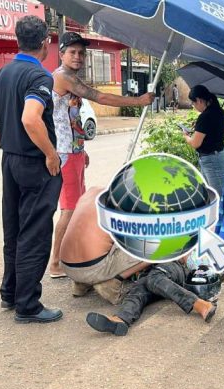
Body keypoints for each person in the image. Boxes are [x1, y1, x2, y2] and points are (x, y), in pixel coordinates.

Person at [0, 15, 63, 324]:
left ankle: (10, 293)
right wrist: (50, 154)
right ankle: (28, 305)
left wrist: (2, 141)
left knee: (13, 228)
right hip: (35, 163)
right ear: (46, 43)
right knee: (34, 232)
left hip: (10, 161)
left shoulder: (3, 73)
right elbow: (31, 119)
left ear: (18, 41)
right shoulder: (40, 76)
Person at [47, 31, 154, 279]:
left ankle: (68, 257)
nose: (78, 56)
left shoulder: (70, 77)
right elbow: (100, 96)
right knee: (70, 210)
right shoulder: (63, 77)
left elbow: (72, 119)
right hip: (64, 153)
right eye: (72, 52)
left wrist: (81, 148)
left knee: (77, 206)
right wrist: (138, 101)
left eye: (81, 53)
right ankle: (55, 263)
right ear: (61, 54)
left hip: (73, 151)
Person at [60, 187, 151, 304]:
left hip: (67, 267)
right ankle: (112, 282)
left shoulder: (93, 191)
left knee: (101, 238)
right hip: (90, 269)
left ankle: (81, 284)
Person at [86, 260, 217, 336]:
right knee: (138, 290)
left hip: (175, 266)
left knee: (155, 278)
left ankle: (199, 304)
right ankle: (121, 319)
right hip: (148, 273)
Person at [182, 85, 224, 197]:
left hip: (212, 160)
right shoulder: (219, 112)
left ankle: (219, 215)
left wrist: (186, 136)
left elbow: (195, 143)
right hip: (219, 156)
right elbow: (219, 132)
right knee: (218, 194)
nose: (194, 106)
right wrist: (199, 128)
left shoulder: (205, 116)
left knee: (218, 198)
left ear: (199, 100)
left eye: (193, 103)